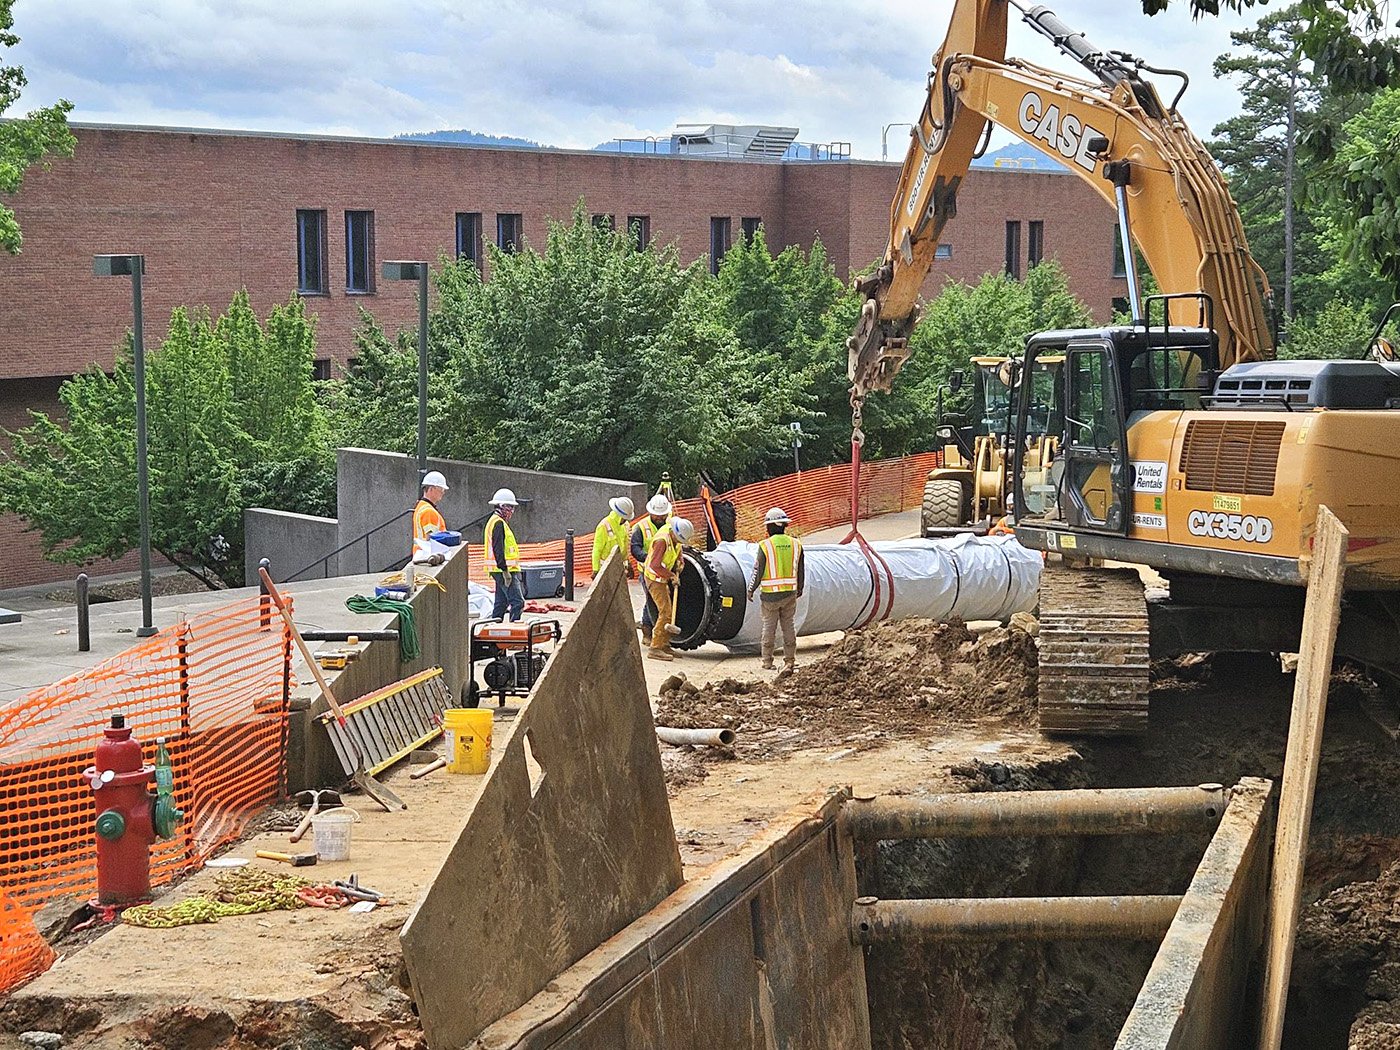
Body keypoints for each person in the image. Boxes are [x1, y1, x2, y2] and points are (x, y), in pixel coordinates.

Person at [745, 507, 805, 679]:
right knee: (789, 626)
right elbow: (801, 569)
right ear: (784, 525)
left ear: (770, 527)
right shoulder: (796, 544)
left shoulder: (765, 546)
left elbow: (758, 570)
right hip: (790, 593)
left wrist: (751, 589)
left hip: (770, 595)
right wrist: (800, 587)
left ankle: (767, 661)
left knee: (769, 627)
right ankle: (790, 659)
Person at [643, 516, 694, 662]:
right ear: (675, 533)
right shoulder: (662, 541)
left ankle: (664, 644)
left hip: (662, 577)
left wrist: (680, 561)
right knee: (665, 613)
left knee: (669, 612)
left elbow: (678, 549)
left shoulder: (674, 535)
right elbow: (655, 565)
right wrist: (671, 576)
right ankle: (655, 648)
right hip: (655, 579)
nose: (680, 542)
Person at [630, 494, 671, 636]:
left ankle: (660, 629)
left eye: (662, 515)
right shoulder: (641, 527)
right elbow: (635, 548)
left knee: (663, 601)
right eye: (657, 515)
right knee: (652, 599)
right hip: (648, 572)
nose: (659, 517)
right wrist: (650, 559)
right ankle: (647, 629)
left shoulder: (670, 524)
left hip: (665, 570)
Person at [485, 488, 524, 622]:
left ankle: (494, 629)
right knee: (517, 602)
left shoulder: (494, 521)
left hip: (499, 570)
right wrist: (505, 570)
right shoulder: (498, 523)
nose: (512, 511)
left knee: (501, 604)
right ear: (501, 506)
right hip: (504, 570)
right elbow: (498, 549)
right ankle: (513, 630)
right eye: (510, 507)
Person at [592, 496, 635, 576]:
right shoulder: (603, 526)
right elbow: (597, 550)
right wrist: (596, 570)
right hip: (605, 568)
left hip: (619, 566)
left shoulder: (625, 525)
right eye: (624, 518)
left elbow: (624, 547)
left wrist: (628, 563)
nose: (626, 520)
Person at [412, 471, 450, 550]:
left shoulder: (422, 506)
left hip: (421, 554)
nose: (443, 492)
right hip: (427, 555)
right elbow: (431, 540)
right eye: (441, 489)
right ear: (432, 489)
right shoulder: (429, 511)